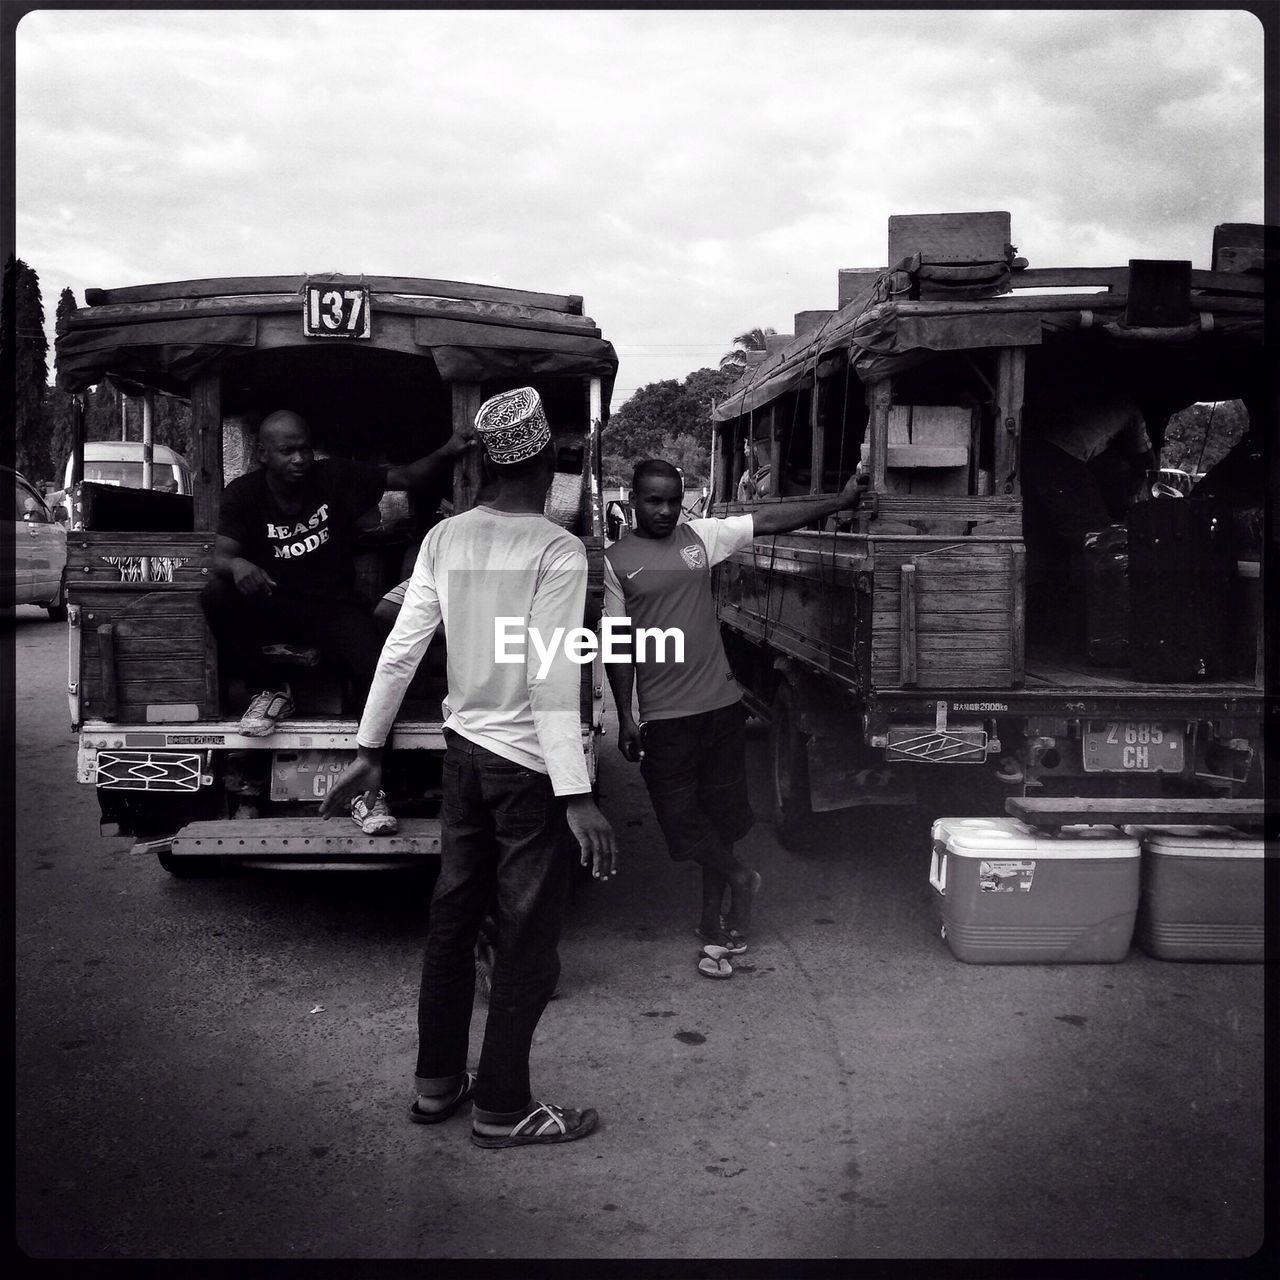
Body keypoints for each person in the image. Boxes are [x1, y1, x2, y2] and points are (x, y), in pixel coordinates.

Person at [321, 386, 617, 1150]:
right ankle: (503, 1107)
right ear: (550, 459)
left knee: (453, 921)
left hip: (464, 757)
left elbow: (400, 648)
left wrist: (367, 749)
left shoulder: (445, 540)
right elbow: (553, 676)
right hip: (525, 769)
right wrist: (577, 794)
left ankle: (435, 1088)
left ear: (482, 460)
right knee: (524, 939)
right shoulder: (556, 548)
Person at [604, 458, 871, 969]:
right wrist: (627, 714)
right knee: (679, 822)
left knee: (720, 820)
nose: (663, 511)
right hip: (665, 716)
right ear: (632, 501)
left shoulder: (700, 538)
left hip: (722, 708)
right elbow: (617, 647)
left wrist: (839, 502)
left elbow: (769, 520)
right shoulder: (618, 562)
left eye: (672, 501)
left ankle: (713, 918)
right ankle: (740, 877)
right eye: (653, 501)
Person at [201, 409, 471, 832]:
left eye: (304, 448)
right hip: (272, 603)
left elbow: (405, 477)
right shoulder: (244, 494)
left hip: (332, 606)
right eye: (287, 450)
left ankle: (372, 787)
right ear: (263, 454)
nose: (299, 458)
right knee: (216, 592)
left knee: (377, 666)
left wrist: (450, 449)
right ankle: (268, 690)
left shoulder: (335, 478)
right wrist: (236, 565)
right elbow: (218, 555)